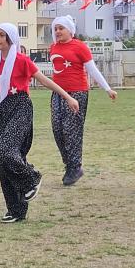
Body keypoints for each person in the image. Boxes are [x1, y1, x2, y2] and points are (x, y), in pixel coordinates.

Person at [0, 23, 80, 223]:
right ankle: (16, 210)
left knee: (6, 151)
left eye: (2, 35)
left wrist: (68, 97)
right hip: (3, 108)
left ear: (11, 38)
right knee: (0, 159)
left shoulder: (22, 60)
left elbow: (44, 80)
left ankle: (31, 178)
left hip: (21, 107)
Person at [48, 16, 117, 186]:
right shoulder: (53, 47)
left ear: (70, 30)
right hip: (58, 93)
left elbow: (92, 69)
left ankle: (75, 167)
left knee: (71, 130)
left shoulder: (80, 46)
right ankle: (69, 163)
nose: (58, 32)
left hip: (77, 93)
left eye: (61, 28)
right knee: (57, 130)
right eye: (55, 29)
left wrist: (107, 88)